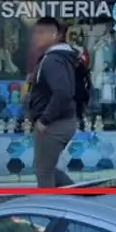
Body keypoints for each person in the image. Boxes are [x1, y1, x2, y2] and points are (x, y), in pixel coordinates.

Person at [29, 17, 80, 188]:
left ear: (55, 35)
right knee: (46, 169)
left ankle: (50, 205)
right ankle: (81, 196)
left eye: (42, 33)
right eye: (36, 32)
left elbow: (63, 92)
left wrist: (45, 120)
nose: (37, 37)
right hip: (61, 121)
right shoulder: (58, 57)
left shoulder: (53, 60)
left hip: (54, 124)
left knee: (44, 172)